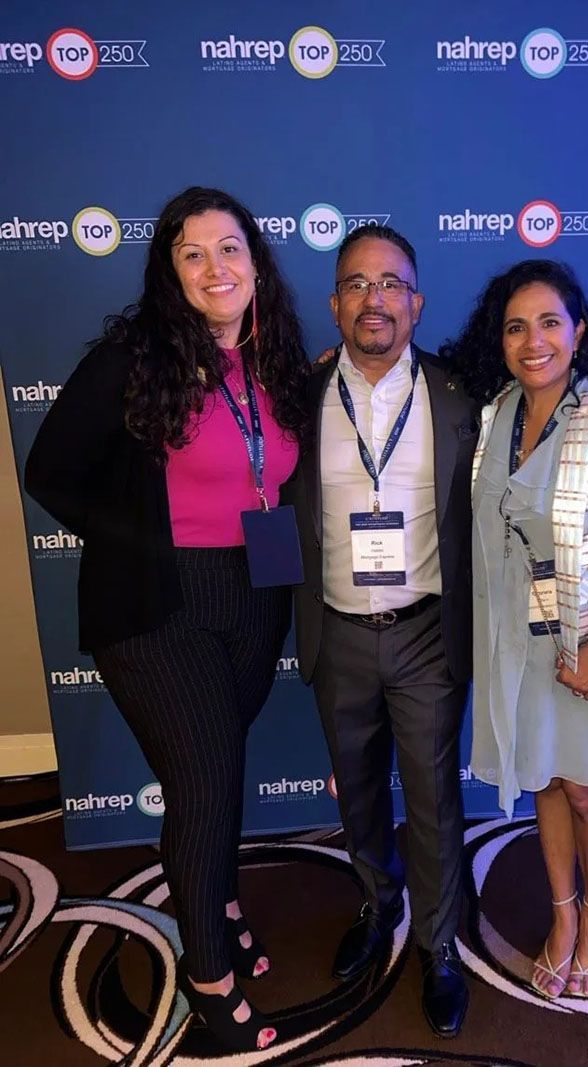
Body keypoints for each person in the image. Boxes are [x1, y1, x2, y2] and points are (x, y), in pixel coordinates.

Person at [25, 186, 309, 1051]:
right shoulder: (132, 355)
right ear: (170, 270)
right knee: (203, 782)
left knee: (218, 776)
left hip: (255, 594)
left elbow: (283, 473)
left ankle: (215, 906)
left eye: (230, 249)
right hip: (157, 607)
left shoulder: (278, 358)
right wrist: (137, 540)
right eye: (193, 253)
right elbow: (51, 470)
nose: (215, 268)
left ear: (256, 262)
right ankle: (208, 979)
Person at [446, 259, 588, 1001]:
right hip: (518, 645)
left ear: (578, 331)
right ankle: (561, 915)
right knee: (544, 780)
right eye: (516, 326)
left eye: (549, 322)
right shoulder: (497, 413)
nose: (532, 340)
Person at [283, 224, 477, 1037]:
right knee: (357, 789)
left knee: (432, 799)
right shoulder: (295, 395)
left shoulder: (461, 396)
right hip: (336, 630)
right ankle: (375, 901)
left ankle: (438, 946)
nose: (375, 299)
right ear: (334, 304)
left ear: (416, 301)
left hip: (426, 630)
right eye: (357, 284)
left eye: (391, 283)